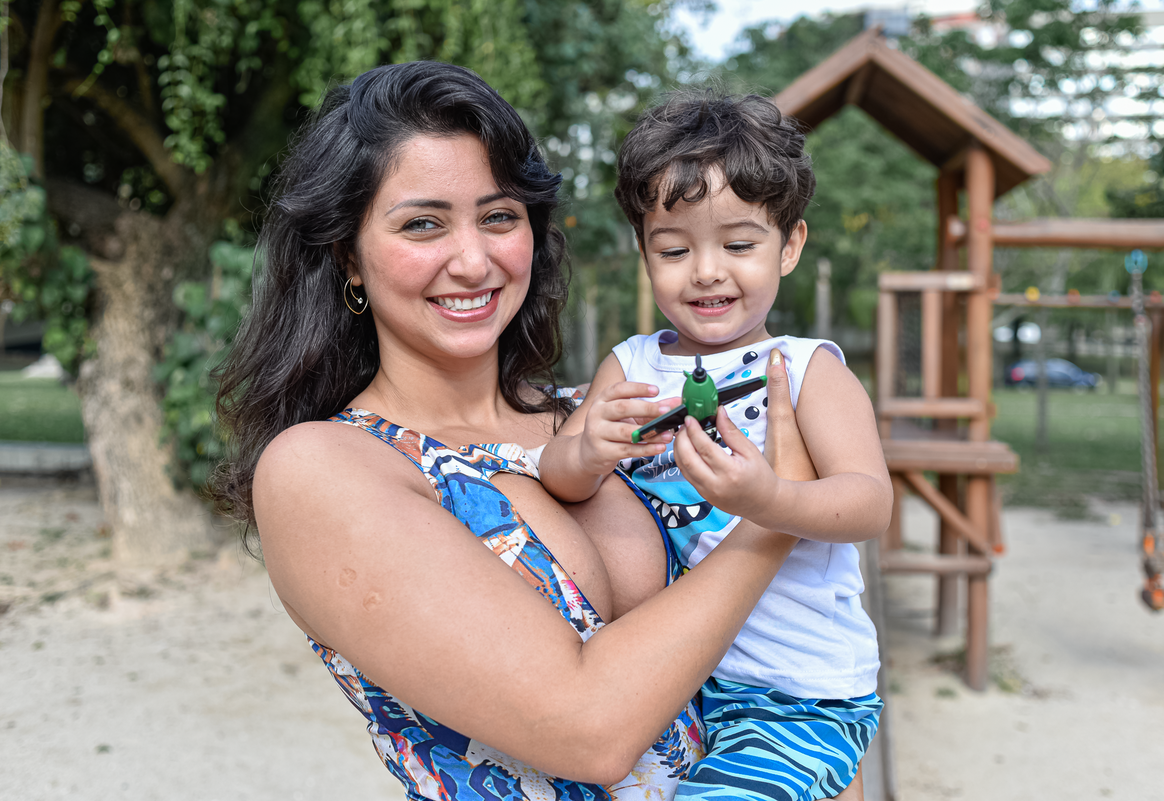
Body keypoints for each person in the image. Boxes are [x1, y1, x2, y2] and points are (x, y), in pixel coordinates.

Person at [210, 62, 818, 801]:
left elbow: (773, 662)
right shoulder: (326, 469)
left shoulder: (595, 417)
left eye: (499, 216)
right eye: (422, 223)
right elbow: (589, 729)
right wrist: (778, 519)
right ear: (348, 255)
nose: (473, 260)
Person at [537, 91, 892, 801]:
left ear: (789, 245)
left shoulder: (805, 369)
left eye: (738, 244)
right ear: (645, 251)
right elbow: (559, 475)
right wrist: (587, 450)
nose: (706, 270)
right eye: (675, 248)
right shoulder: (633, 364)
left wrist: (772, 498)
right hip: (681, 681)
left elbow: (869, 503)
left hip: (799, 693)